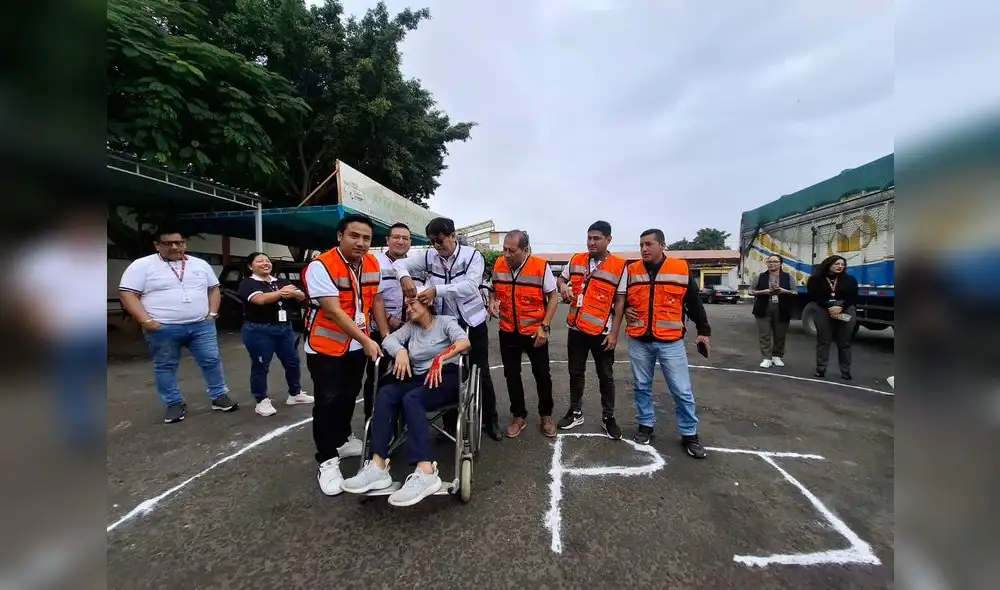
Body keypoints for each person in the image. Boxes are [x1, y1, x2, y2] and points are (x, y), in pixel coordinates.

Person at [341, 293, 471, 507]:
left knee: (412, 399)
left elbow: (464, 342)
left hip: (446, 375)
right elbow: (389, 339)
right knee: (386, 393)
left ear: (427, 304)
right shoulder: (410, 327)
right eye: (406, 306)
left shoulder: (446, 321)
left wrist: (441, 357)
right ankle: (377, 466)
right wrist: (400, 351)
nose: (408, 309)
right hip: (419, 377)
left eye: (412, 304)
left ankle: (426, 471)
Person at [302, 214, 390, 495]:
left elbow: (375, 298)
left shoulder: (372, 263)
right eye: (354, 236)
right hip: (326, 347)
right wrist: (366, 339)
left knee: (349, 394)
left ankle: (342, 438)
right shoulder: (321, 266)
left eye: (366, 238)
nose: (361, 243)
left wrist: (385, 335)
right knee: (327, 401)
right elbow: (333, 310)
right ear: (340, 236)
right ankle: (326, 460)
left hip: (356, 346)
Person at [394, 216, 503, 442]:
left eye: (441, 240)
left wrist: (436, 291)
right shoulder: (428, 255)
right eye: (433, 241)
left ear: (453, 236)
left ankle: (490, 421)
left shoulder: (473, 256)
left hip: (472, 322)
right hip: (444, 324)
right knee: (447, 370)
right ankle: (451, 424)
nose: (437, 246)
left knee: (479, 370)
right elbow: (400, 263)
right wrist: (404, 276)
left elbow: (471, 286)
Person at [119, 229, 237, 424]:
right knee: (165, 366)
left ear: (185, 244)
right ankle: (174, 403)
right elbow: (127, 294)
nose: (174, 247)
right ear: (157, 245)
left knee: (211, 360)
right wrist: (146, 321)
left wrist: (212, 314)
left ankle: (219, 396)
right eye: (168, 243)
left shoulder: (200, 264)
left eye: (179, 242)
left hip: (201, 325)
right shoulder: (142, 265)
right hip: (162, 328)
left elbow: (214, 289)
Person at [623, 229, 710, 458]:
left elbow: (693, 301)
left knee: (681, 390)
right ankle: (645, 426)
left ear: (663, 246)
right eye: (641, 244)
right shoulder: (631, 270)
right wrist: (624, 309)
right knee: (641, 386)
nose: (644, 249)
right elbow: (619, 299)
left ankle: (689, 434)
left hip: (670, 342)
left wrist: (703, 331)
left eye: (649, 244)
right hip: (639, 339)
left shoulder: (680, 269)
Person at [555, 220, 627, 440]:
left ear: (608, 240)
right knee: (575, 372)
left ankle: (608, 417)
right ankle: (575, 412)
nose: (591, 242)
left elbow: (621, 301)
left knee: (605, 375)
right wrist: (563, 288)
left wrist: (614, 334)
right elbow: (561, 279)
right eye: (589, 238)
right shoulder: (576, 260)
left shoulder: (619, 266)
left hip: (602, 331)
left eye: (597, 238)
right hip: (576, 328)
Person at [488, 230, 560, 438]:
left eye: (512, 251)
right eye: (504, 250)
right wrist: (492, 301)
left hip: (535, 332)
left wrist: (544, 326)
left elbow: (553, 298)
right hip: (508, 331)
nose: (506, 255)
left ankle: (546, 415)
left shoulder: (540, 266)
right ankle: (519, 416)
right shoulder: (499, 265)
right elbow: (495, 289)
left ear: (525, 250)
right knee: (511, 375)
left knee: (542, 375)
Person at [237, 252, 314, 417]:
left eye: (267, 260)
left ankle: (295, 393)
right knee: (261, 365)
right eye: (260, 261)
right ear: (251, 266)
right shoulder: (248, 283)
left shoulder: (281, 281)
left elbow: (301, 296)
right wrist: (282, 293)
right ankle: (261, 400)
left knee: (292, 361)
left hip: (284, 328)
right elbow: (260, 300)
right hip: (259, 330)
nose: (265, 263)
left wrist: (292, 292)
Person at [362, 222, 412, 423]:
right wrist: (386, 332)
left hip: (407, 331)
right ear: (387, 240)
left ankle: (401, 421)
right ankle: (373, 422)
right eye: (396, 237)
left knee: (406, 376)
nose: (400, 241)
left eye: (405, 238)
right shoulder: (375, 262)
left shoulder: (412, 264)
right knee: (376, 378)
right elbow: (375, 298)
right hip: (381, 331)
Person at [806, 255, 858, 380]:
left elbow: (853, 297)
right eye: (837, 264)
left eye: (842, 264)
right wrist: (828, 308)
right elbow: (814, 296)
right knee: (824, 340)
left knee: (844, 342)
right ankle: (821, 369)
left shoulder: (850, 279)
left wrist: (841, 307)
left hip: (845, 308)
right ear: (828, 264)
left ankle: (845, 371)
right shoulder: (815, 279)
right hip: (822, 309)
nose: (840, 266)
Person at [750, 254, 796, 368]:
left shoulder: (788, 277)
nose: (772, 264)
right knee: (764, 334)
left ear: (780, 263)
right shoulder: (760, 276)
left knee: (780, 334)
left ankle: (777, 356)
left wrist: (782, 291)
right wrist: (764, 292)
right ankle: (766, 358)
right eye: (769, 261)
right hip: (764, 306)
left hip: (782, 307)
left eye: (775, 261)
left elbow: (794, 292)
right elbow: (751, 291)